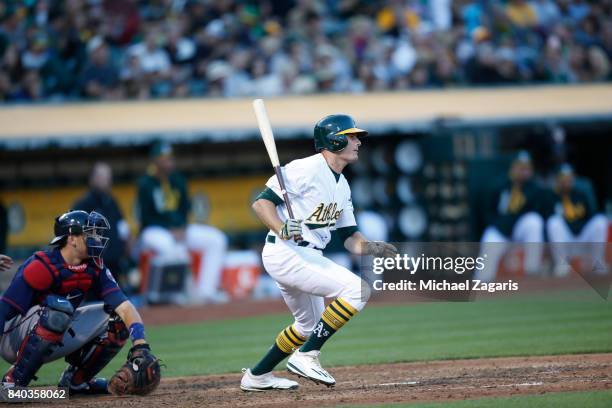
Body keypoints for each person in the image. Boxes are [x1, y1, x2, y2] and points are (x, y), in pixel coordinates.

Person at [240, 114, 397, 391]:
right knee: (358, 290)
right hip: (287, 252)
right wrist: (282, 227)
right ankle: (307, 356)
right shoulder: (306, 168)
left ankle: (257, 376)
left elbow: (350, 239)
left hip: (305, 255)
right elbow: (261, 204)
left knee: (307, 327)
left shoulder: (343, 184)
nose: (358, 142)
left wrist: (375, 248)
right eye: (351, 136)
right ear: (334, 140)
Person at [0, 210, 158, 394]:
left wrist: (140, 343)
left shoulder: (94, 265)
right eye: (89, 233)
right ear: (72, 238)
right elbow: (4, 311)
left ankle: (76, 382)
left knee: (117, 320)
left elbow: (124, 306)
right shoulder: (41, 266)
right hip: (12, 338)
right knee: (58, 311)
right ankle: (12, 383)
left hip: (55, 327)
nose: (97, 239)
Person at [137, 141, 228, 303]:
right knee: (172, 247)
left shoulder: (178, 179)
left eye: (170, 158)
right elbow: (145, 217)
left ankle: (205, 292)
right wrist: (169, 229)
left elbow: (185, 209)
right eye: (164, 158)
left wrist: (183, 228)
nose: (169, 162)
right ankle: (180, 293)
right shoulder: (146, 183)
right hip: (153, 231)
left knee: (216, 239)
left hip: (179, 229)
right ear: (155, 161)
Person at [475, 151, 545, 282]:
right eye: (520, 167)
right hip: (500, 231)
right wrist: (500, 227)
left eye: (527, 167)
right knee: (490, 238)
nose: (523, 171)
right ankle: (481, 284)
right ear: (512, 167)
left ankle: (532, 271)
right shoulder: (498, 185)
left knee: (534, 222)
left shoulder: (534, 188)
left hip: (520, 230)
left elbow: (538, 211)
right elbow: (487, 213)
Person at [73, 162, 131, 290]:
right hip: (92, 267)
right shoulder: (83, 204)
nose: (106, 181)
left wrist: (127, 243)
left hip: (114, 263)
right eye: (101, 177)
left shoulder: (112, 202)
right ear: (92, 179)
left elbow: (122, 227)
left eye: (108, 177)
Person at [546, 164, 609, 276]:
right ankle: (561, 265)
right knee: (553, 222)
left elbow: (591, 217)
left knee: (600, 220)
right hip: (566, 241)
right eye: (563, 177)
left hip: (583, 238)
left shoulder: (581, 194)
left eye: (569, 177)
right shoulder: (551, 196)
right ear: (557, 179)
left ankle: (598, 263)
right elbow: (547, 226)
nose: (566, 181)